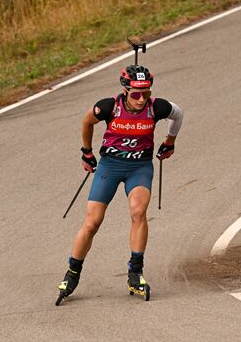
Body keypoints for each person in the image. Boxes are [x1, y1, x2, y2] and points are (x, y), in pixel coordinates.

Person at [58, 64, 183, 299]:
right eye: (136, 94)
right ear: (125, 90)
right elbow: (87, 122)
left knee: (138, 212)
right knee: (92, 222)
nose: (141, 98)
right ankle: (72, 274)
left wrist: (170, 142)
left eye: (146, 93)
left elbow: (178, 114)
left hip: (140, 167)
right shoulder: (108, 107)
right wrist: (86, 152)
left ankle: (135, 273)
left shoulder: (157, 107)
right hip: (110, 167)